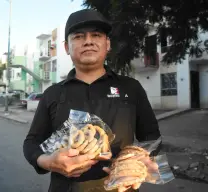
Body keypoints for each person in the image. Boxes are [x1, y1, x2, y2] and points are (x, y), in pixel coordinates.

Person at [23, 9, 161, 192]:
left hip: (122, 187)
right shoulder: (52, 94)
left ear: (107, 43)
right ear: (66, 47)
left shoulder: (131, 88)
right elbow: (32, 142)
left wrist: (142, 162)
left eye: (96, 35)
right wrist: (47, 161)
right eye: (79, 37)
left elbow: (152, 137)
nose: (88, 41)